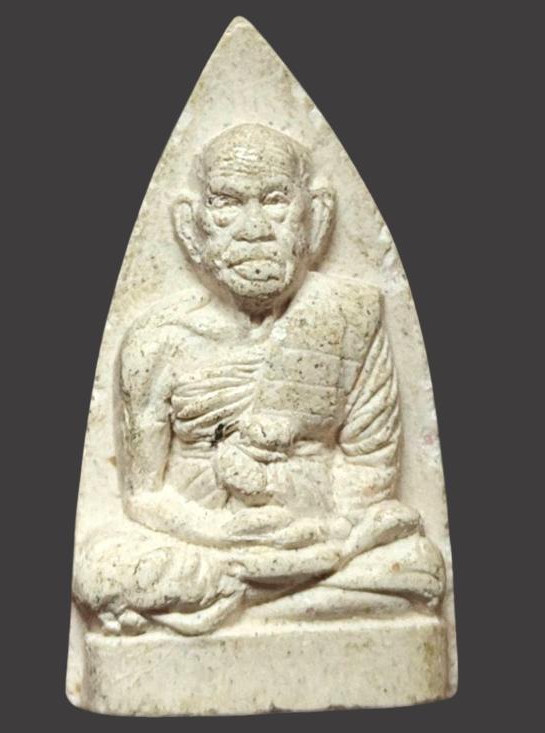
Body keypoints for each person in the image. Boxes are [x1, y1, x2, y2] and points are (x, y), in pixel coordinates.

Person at [73, 124, 444, 635]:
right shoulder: (155, 341)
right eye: (226, 204)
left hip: (319, 537)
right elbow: (143, 497)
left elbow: (370, 468)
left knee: (418, 563)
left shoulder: (349, 316)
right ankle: (277, 600)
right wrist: (223, 534)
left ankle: (230, 604)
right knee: (103, 566)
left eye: (274, 202)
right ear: (191, 225)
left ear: (316, 215)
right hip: (200, 542)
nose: (253, 230)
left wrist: (308, 523)